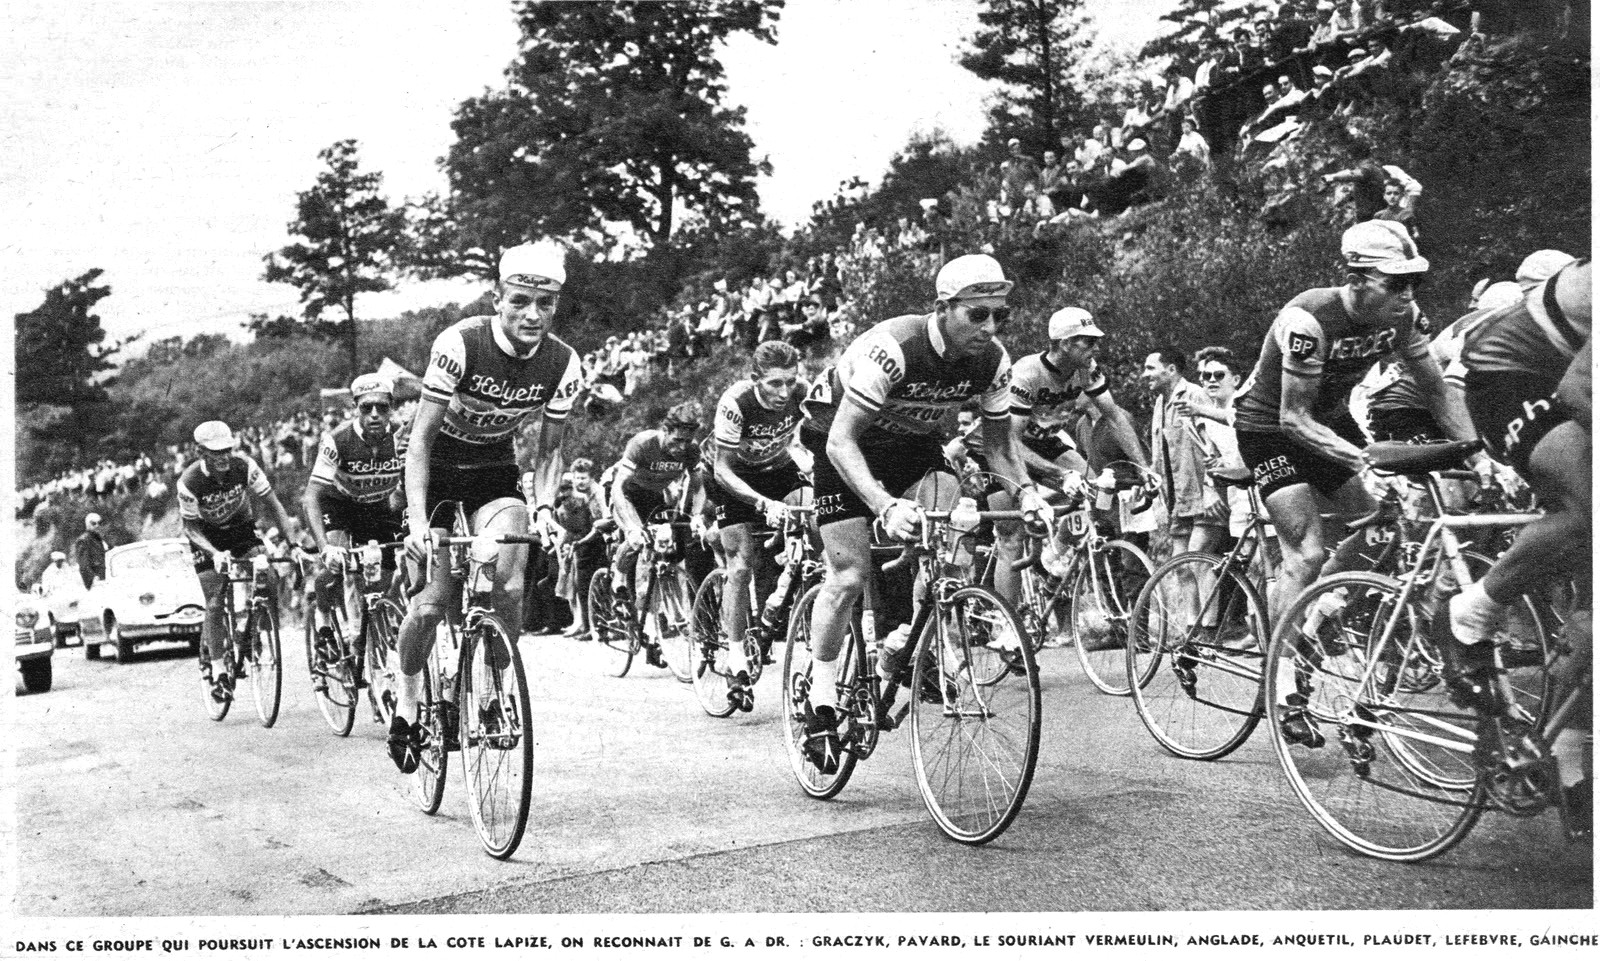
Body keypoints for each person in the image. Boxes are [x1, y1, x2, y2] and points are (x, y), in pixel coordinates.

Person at [1232, 221, 1488, 745]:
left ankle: (1317, 615)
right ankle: (1279, 679)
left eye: (1412, 282)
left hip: (1329, 420)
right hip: (1271, 426)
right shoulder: (1308, 319)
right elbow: (1293, 420)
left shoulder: (1404, 319)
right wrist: (1366, 462)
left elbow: (1438, 394)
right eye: (1395, 284)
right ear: (1355, 278)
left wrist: (1479, 456)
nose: (1407, 295)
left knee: (1384, 524)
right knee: (1305, 551)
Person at [797, 254, 1048, 773]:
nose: (991, 327)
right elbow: (843, 442)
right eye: (977, 315)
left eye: (1000, 315)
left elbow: (1001, 446)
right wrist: (884, 504)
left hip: (912, 446)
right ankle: (819, 704)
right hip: (842, 442)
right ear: (942, 308)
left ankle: (904, 643)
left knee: (950, 541)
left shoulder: (992, 361)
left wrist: (1026, 493)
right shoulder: (896, 348)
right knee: (848, 575)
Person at [388, 242, 581, 774]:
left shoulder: (564, 362)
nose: (532, 315)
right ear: (498, 299)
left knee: (512, 582)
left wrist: (543, 507)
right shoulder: (460, 343)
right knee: (431, 604)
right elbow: (421, 441)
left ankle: (493, 689)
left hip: (494, 471)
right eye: (520, 301)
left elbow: (550, 451)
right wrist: (417, 519)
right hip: (439, 470)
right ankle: (407, 704)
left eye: (545, 304)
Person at [1449, 260, 1591, 767]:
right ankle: (1476, 609)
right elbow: (1579, 392)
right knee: (1589, 510)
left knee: (1591, 609)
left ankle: (1567, 760)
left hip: (1562, 382)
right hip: (1509, 377)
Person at [709, 341, 811, 711]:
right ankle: (735, 658)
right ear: (755, 380)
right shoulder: (735, 403)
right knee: (740, 566)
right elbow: (723, 468)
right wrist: (761, 503)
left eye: (790, 381)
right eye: (774, 384)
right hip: (733, 476)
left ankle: (791, 583)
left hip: (778, 467)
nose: (784, 392)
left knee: (819, 517)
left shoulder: (802, 392)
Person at [178, 421, 300, 692]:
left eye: (227, 450)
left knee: (267, 575)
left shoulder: (245, 466)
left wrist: (293, 544)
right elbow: (190, 527)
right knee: (215, 600)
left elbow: (274, 506)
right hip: (206, 537)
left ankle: (250, 629)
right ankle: (219, 668)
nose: (224, 457)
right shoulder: (189, 481)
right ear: (201, 453)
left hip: (240, 529)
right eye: (216, 452)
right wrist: (214, 553)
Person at [301, 373, 407, 685]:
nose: (375, 414)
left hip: (377, 506)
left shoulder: (401, 435)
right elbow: (311, 497)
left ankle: (370, 634)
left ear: (391, 409)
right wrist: (325, 548)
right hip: (341, 505)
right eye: (366, 408)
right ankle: (324, 619)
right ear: (355, 408)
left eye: (382, 408)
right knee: (337, 566)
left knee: (383, 583)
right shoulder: (337, 439)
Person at [1008, 307, 1143, 493]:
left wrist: (1143, 468)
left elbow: (1115, 417)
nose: (1096, 349)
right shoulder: (1025, 375)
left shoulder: (1085, 368)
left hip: (1041, 441)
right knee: (1023, 508)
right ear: (1065, 344)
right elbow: (1010, 444)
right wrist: (1062, 474)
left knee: (1092, 488)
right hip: (998, 446)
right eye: (1089, 342)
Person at [609, 402, 705, 661]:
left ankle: (652, 631)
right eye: (677, 439)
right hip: (627, 496)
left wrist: (696, 517)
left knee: (661, 553)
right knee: (638, 540)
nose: (681, 446)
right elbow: (619, 487)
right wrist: (631, 527)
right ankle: (617, 580)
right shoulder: (643, 443)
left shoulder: (691, 451)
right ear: (666, 430)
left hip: (654, 498)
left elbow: (698, 487)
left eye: (688, 440)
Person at [1142, 346, 1226, 559]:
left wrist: (1213, 489)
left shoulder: (1195, 395)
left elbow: (1216, 447)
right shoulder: (1160, 403)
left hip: (1204, 499)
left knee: (1198, 559)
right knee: (1181, 567)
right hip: (1178, 502)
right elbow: (1160, 457)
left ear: (1170, 369)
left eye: (1150, 368)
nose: (1145, 375)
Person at [552, 458, 608, 639]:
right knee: (580, 586)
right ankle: (586, 625)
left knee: (598, 586)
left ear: (591, 478)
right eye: (577, 478)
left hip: (600, 540)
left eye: (583, 478)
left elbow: (603, 520)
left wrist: (583, 540)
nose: (580, 482)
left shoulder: (598, 493)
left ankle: (598, 626)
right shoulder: (576, 496)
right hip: (583, 542)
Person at [74, 513, 110, 589]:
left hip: (106, 580)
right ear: (88, 525)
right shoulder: (83, 540)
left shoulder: (99, 539)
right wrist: (93, 581)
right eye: (93, 523)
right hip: (97, 584)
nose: (97, 526)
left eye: (99, 523)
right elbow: (84, 566)